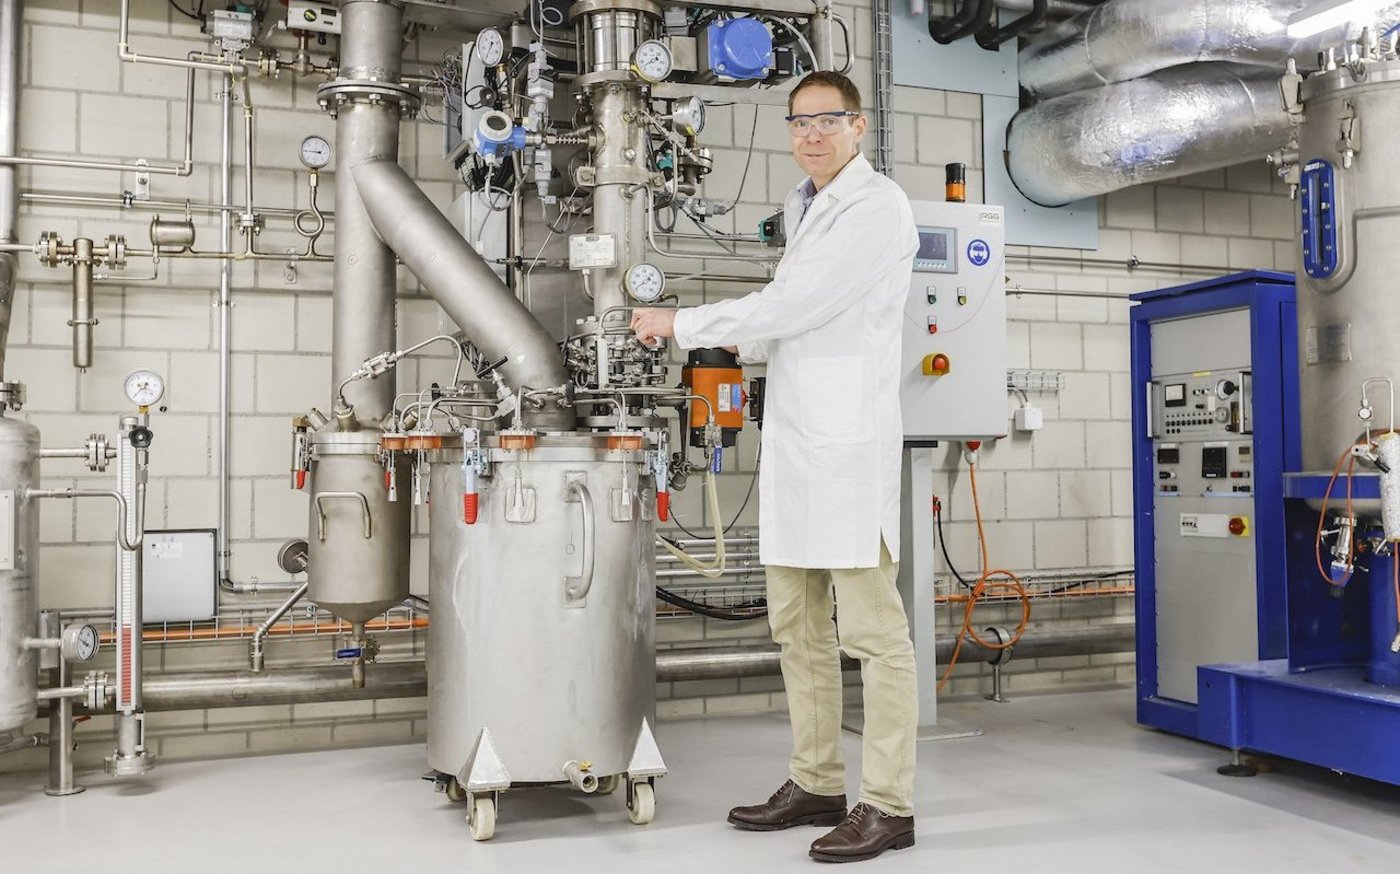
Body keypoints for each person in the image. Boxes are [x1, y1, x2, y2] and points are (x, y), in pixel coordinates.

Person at [631, 70, 919, 864]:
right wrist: (728, 338)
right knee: (797, 627)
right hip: (796, 448)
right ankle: (817, 782)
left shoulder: (876, 206)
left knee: (873, 634)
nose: (811, 134)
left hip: (848, 448)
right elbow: (789, 318)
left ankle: (890, 804)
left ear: (858, 127)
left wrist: (685, 322)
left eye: (828, 120)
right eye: (799, 123)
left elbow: (800, 304)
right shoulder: (804, 206)